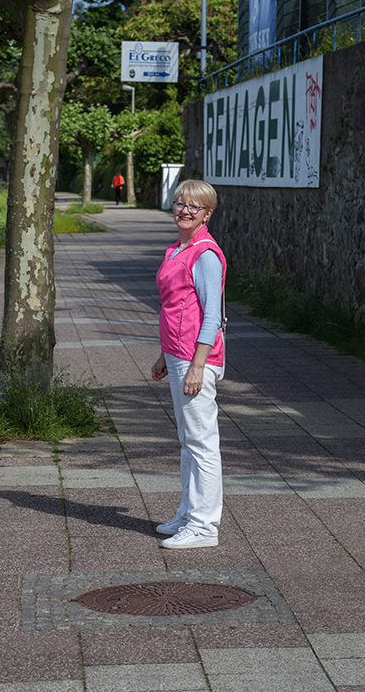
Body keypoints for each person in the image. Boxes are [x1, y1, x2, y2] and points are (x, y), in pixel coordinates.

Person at [151, 179, 226, 549]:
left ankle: (204, 526)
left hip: (196, 359)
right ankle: (188, 513)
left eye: (194, 206)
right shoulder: (178, 249)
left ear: (207, 214)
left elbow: (211, 316)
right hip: (178, 354)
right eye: (180, 203)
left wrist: (197, 365)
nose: (184, 210)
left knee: (202, 442)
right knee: (188, 441)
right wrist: (165, 356)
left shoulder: (205, 255)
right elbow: (177, 308)